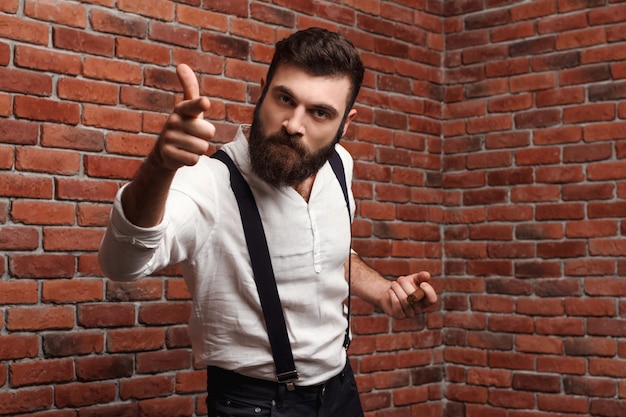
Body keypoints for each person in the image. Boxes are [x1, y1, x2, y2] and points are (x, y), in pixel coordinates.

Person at [98, 27, 438, 417]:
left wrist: (383, 291)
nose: (294, 124)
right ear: (263, 90)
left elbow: (329, 251)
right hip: (254, 405)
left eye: (320, 112)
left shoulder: (340, 166)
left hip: (341, 391)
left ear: (345, 123)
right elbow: (121, 265)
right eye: (285, 98)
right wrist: (160, 166)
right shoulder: (209, 180)